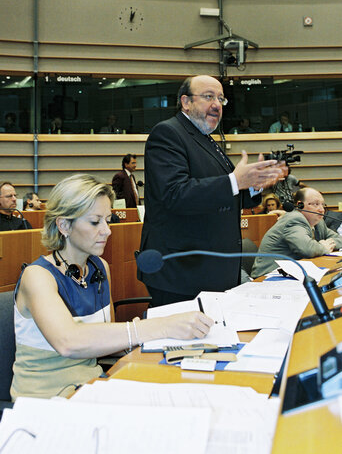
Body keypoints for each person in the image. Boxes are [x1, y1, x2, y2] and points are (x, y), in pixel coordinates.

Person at [10, 174, 213, 400]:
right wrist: (156, 327)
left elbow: (104, 342)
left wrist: (166, 338)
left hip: (91, 388)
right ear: (64, 225)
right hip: (44, 402)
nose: (107, 230)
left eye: (108, 219)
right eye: (95, 222)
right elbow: (68, 342)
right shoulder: (36, 276)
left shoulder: (100, 267)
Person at [139, 75, 286, 306]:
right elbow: (175, 195)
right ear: (186, 102)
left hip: (211, 271)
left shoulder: (208, 141)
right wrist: (235, 181)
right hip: (182, 274)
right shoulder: (168, 134)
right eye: (208, 96)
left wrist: (256, 184)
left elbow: (229, 196)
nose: (217, 104)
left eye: (221, 99)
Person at [251, 187, 342, 278]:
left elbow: (339, 239)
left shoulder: (318, 222)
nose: (321, 209)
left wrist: (330, 244)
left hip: (291, 275)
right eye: (315, 204)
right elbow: (308, 249)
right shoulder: (294, 220)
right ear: (300, 205)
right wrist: (323, 247)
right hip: (268, 277)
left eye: (322, 205)